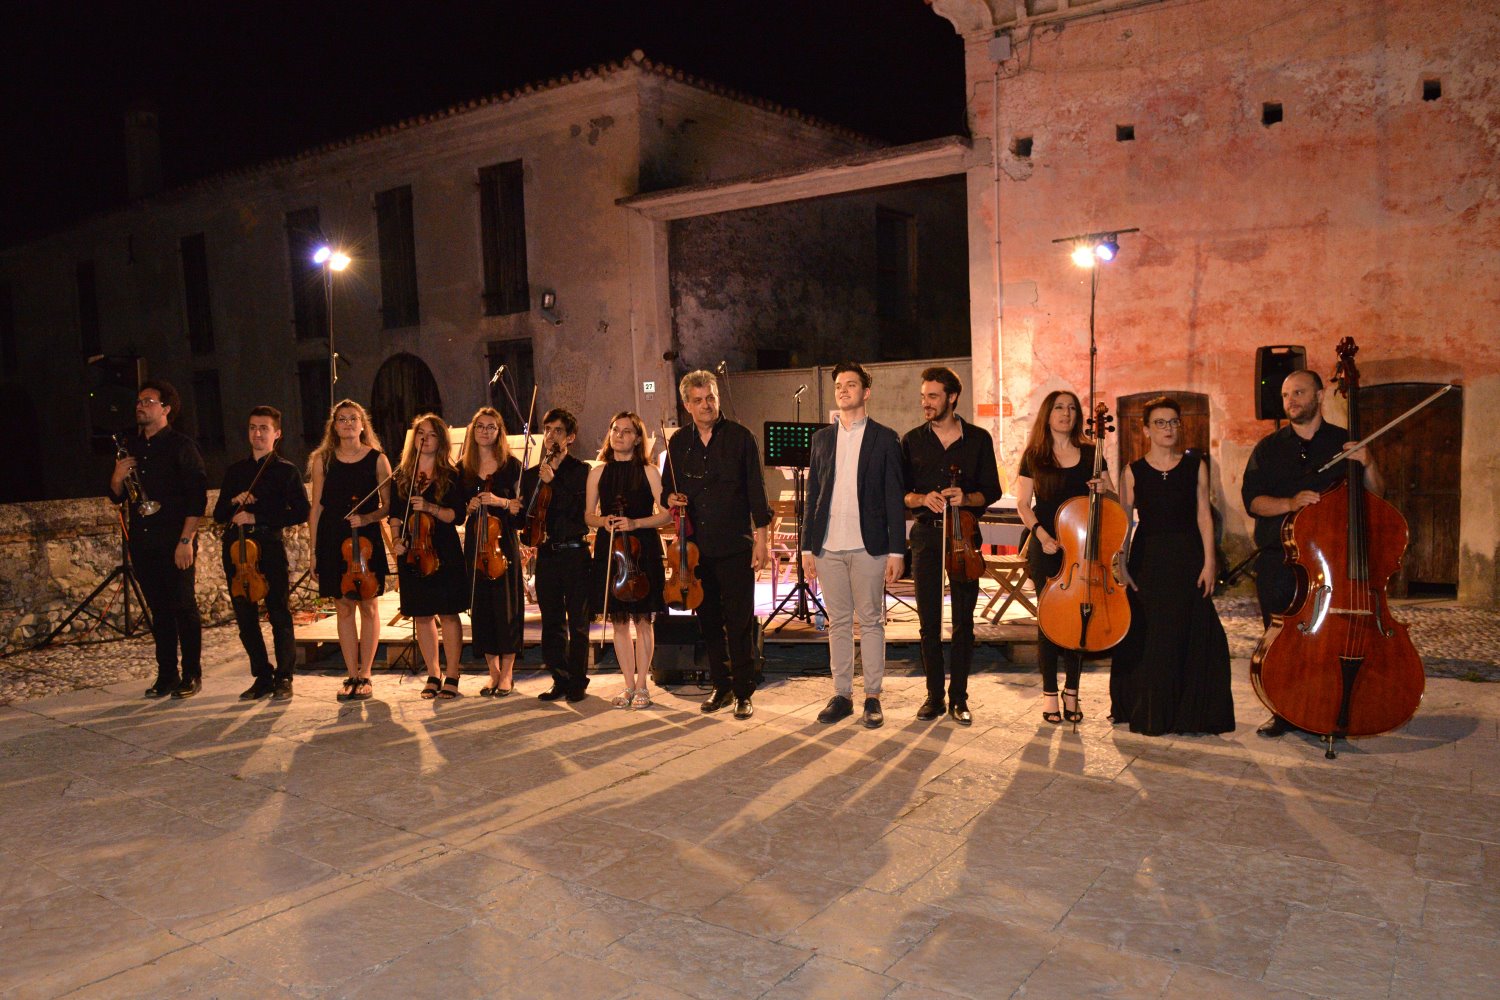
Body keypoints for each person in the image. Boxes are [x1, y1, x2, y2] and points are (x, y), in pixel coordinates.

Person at [1241, 368, 1381, 737]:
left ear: (1320, 395)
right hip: (1280, 561)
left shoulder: (1343, 441)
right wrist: (1289, 502)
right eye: (1287, 396)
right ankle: (1283, 711)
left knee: (1327, 642)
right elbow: (1253, 502)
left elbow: (1377, 496)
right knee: (1280, 644)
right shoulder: (1267, 449)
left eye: (1299, 393)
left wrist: (1368, 463)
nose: (1291, 401)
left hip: (1330, 566)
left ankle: (1326, 707)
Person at [1109, 397, 1235, 735]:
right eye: (1161, 422)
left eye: (1174, 422)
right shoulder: (1132, 471)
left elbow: (1204, 516)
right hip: (1148, 557)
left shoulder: (1196, 466)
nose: (1169, 428)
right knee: (1151, 636)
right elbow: (1124, 521)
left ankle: (1190, 714)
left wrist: (1210, 562)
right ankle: (1149, 709)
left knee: (1190, 630)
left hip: (1188, 556)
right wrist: (1121, 562)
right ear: (1146, 429)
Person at [801, 363, 905, 729]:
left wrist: (897, 551)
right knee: (838, 623)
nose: (843, 390)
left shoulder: (886, 438)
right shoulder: (822, 440)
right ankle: (842, 694)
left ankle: (872, 696)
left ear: (866, 392)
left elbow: (894, 498)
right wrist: (806, 547)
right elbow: (813, 494)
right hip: (828, 546)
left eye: (851, 385)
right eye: (839, 386)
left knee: (872, 621)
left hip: (869, 545)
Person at [664, 370, 773, 720]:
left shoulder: (742, 438)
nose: (706, 405)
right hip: (695, 549)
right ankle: (721, 686)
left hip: (736, 544)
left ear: (717, 398)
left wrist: (763, 542)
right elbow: (667, 488)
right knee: (708, 620)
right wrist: (672, 497)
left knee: (739, 621)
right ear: (687, 405)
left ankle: (743, 691)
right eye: (698, 400)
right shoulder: (679, 443)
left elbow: (758, 493)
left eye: (710, 397)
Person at [901, 366, 1003, 726]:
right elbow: (900, 494)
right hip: (927, 536)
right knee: (928, 621)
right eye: (923, 396)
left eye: (932, 396)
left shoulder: (978, 439)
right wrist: (919, 498)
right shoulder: (911, 440)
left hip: (964, 535)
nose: (925, 403)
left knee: (963, 622)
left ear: (952, 397)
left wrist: (967, 496)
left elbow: (993, 490)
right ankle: (933, 697)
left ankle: (959, 698)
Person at [1015, 390, 1113, 726]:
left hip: (1082, 549)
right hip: (1046, 547)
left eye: (1072, 408)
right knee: (1048, 622)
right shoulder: (1034, 456)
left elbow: (1111, 496)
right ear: (1048, 413)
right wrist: (1041, 536)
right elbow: (1023, 505)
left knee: (1078, 620)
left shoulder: (1091, 453)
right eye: (1059, 407)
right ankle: (1048, 694)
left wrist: (1103, 489)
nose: (1066, 413)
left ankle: (1072, 690)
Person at [109, 379, 208, 699]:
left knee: (184, 607)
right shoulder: (130, 447)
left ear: (165, 409)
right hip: (143, 541)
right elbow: (115, 497)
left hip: (174, 539)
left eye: (148, 401)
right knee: (159, 611)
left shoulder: (182, 446)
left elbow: (197, 500)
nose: (140, 405)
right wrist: (117, 476)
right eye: (139, 401)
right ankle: (167, 674)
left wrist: (185, 541)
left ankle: (192, 674)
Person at [212, 406, 310, 701]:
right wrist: (234, 501)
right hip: (236, 550)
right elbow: (219, 514)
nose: (257, 433)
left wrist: (257, 516)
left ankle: (284, 676)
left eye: (264, 428)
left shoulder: (286, 471)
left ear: (276, 434)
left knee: (279, 612)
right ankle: (262, 675)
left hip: (268, 547)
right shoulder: (235, 472)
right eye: (253, 427)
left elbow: (301, 512)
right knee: (244, 615)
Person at [586, 411, 672, 708]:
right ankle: (627, 685)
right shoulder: (597, 472)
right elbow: (588, 515)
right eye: (615, 429)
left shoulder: (649, 471)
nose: (619, 434)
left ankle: (642, 685)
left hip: (642, 547)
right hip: (611, 549)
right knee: (619, 622)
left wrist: (635, 523)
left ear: (637, 438)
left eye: (626, 431)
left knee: (643, 620)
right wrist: (604, 522)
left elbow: (666, 514)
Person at [307, 399, 391, 701]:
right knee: (342, 605)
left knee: (368, 606)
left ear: (362, 423)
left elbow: (388, 506)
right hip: (333, 537)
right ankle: (351, 673)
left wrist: (366, 517)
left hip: (365, 538)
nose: (348, 423)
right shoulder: (322, 460)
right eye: (342, 419)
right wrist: (314, 551)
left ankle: (366, 673)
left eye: (353, 418)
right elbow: (316, 508)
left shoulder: (378, 459)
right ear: (334, 426)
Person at [386, 414, 470, 699]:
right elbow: (395, 515)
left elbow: (457, 516)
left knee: (448, 612)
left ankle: (453, 673)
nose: (425, 438)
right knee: (422, 614)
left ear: (441, 440)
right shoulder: (403, 475)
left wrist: (430, 508)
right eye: (420, 433)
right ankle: (433, 673)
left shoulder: (452, 474)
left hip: (443, 550)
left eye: (431, 434)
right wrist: (396, 540)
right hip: (412, 551)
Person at [520, 408, 593, 703]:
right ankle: (559, 677)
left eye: (558, 431)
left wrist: (554, 481)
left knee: (578, 621)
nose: (551, 435)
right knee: (551, 621)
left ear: (570, 437)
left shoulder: (580, 471)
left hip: (574, 553)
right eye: (547, 430)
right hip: (546, 555)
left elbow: (578, 513)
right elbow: (529, 516)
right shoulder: (532, 475)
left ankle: (578, 680)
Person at [459, 407, 524, 698]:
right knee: (482, 608)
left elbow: (522, 506)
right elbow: (457, 511)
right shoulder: (464, 467)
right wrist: (468, 508)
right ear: (473, 431)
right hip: (475, 545)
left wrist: (499, 500)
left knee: (506, 608)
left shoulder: (511, 465)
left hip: (503, 544)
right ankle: (493, 673)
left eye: (492, 427)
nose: (485, 431)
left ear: (499, 432)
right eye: (481, 426)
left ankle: (508, 673)